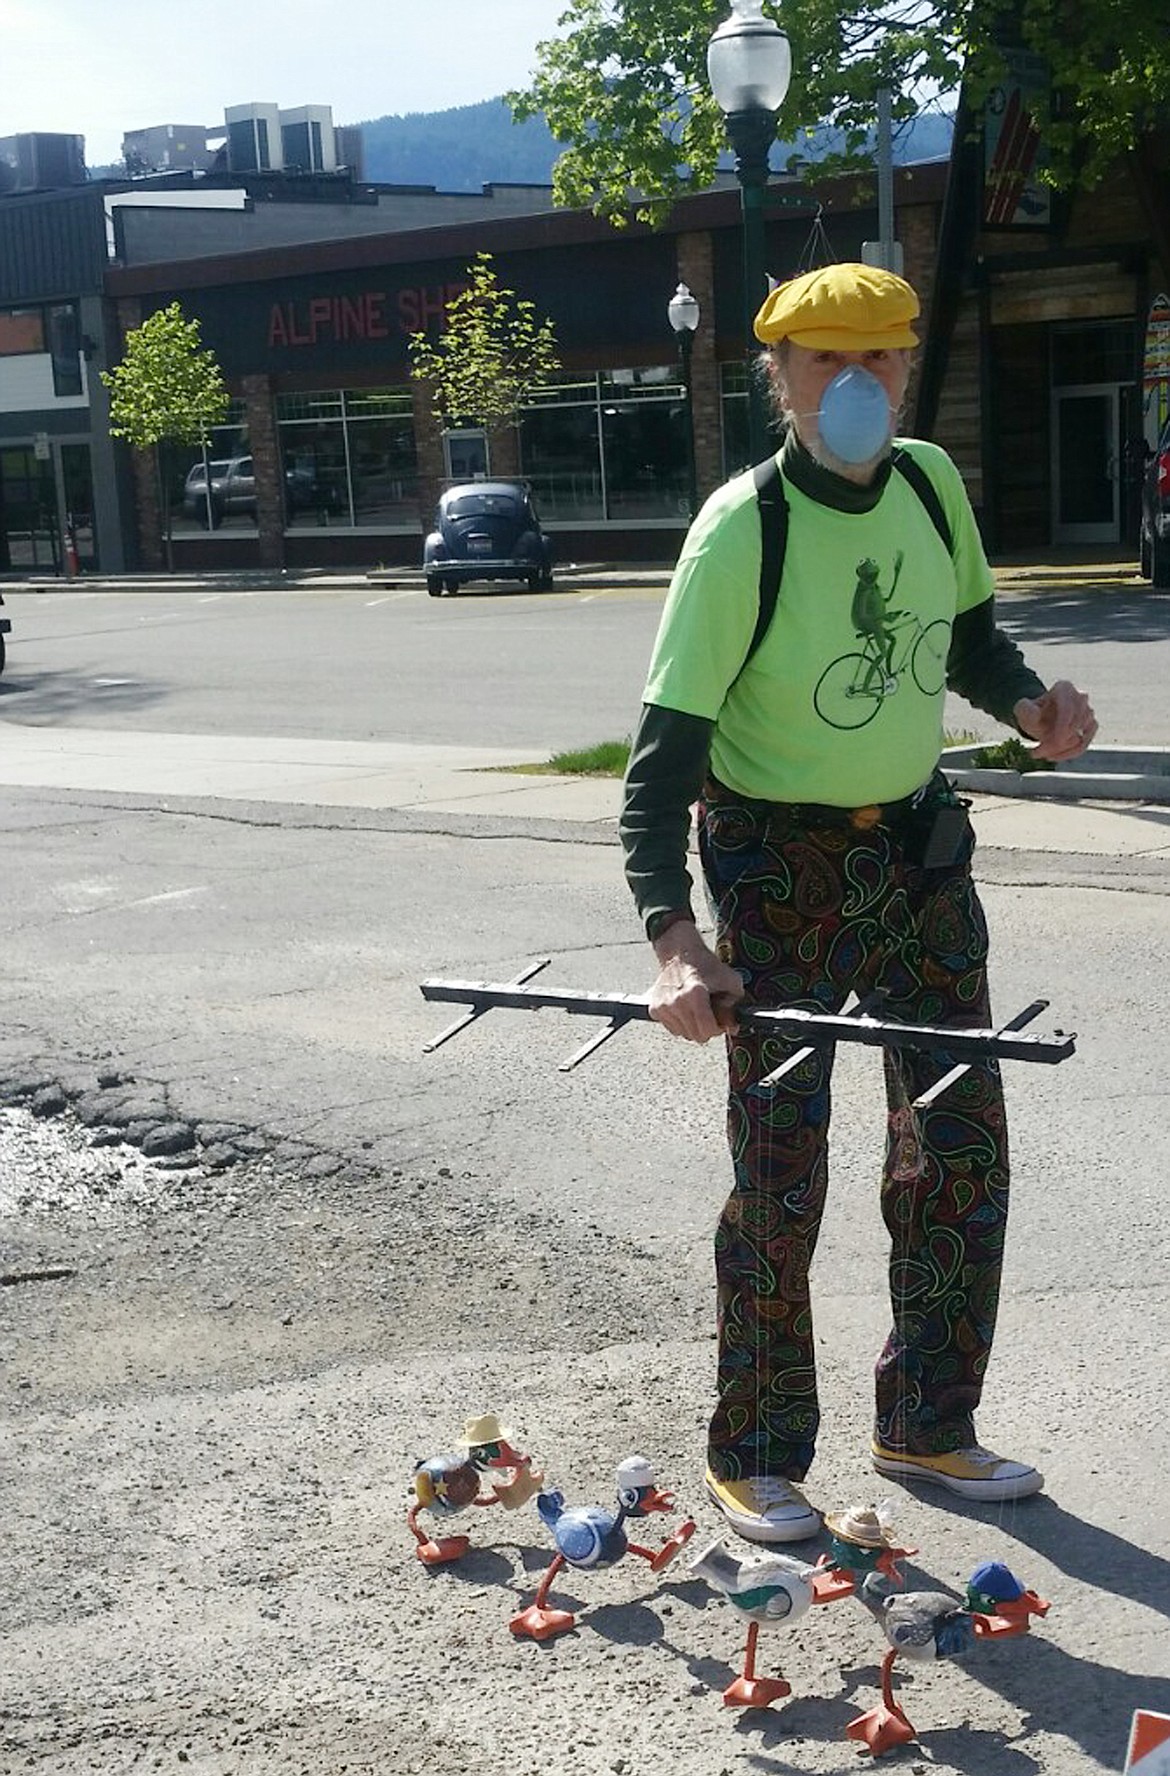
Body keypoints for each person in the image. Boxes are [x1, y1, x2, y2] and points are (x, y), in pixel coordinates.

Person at [619, 262, 1097, 1546]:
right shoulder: (744, 531)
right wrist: (676, 940)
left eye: (879, 359)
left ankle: (928, 1424)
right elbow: (661, 766)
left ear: (904, 367)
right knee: (781, 1173)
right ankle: (760, 1451)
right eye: (825, 362)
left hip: (919, 859)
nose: (855, 385)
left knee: (960, 1150)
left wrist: (1030, 703)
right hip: (777, 866)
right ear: (776, 376)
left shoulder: (933, 485)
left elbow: (969, 640)